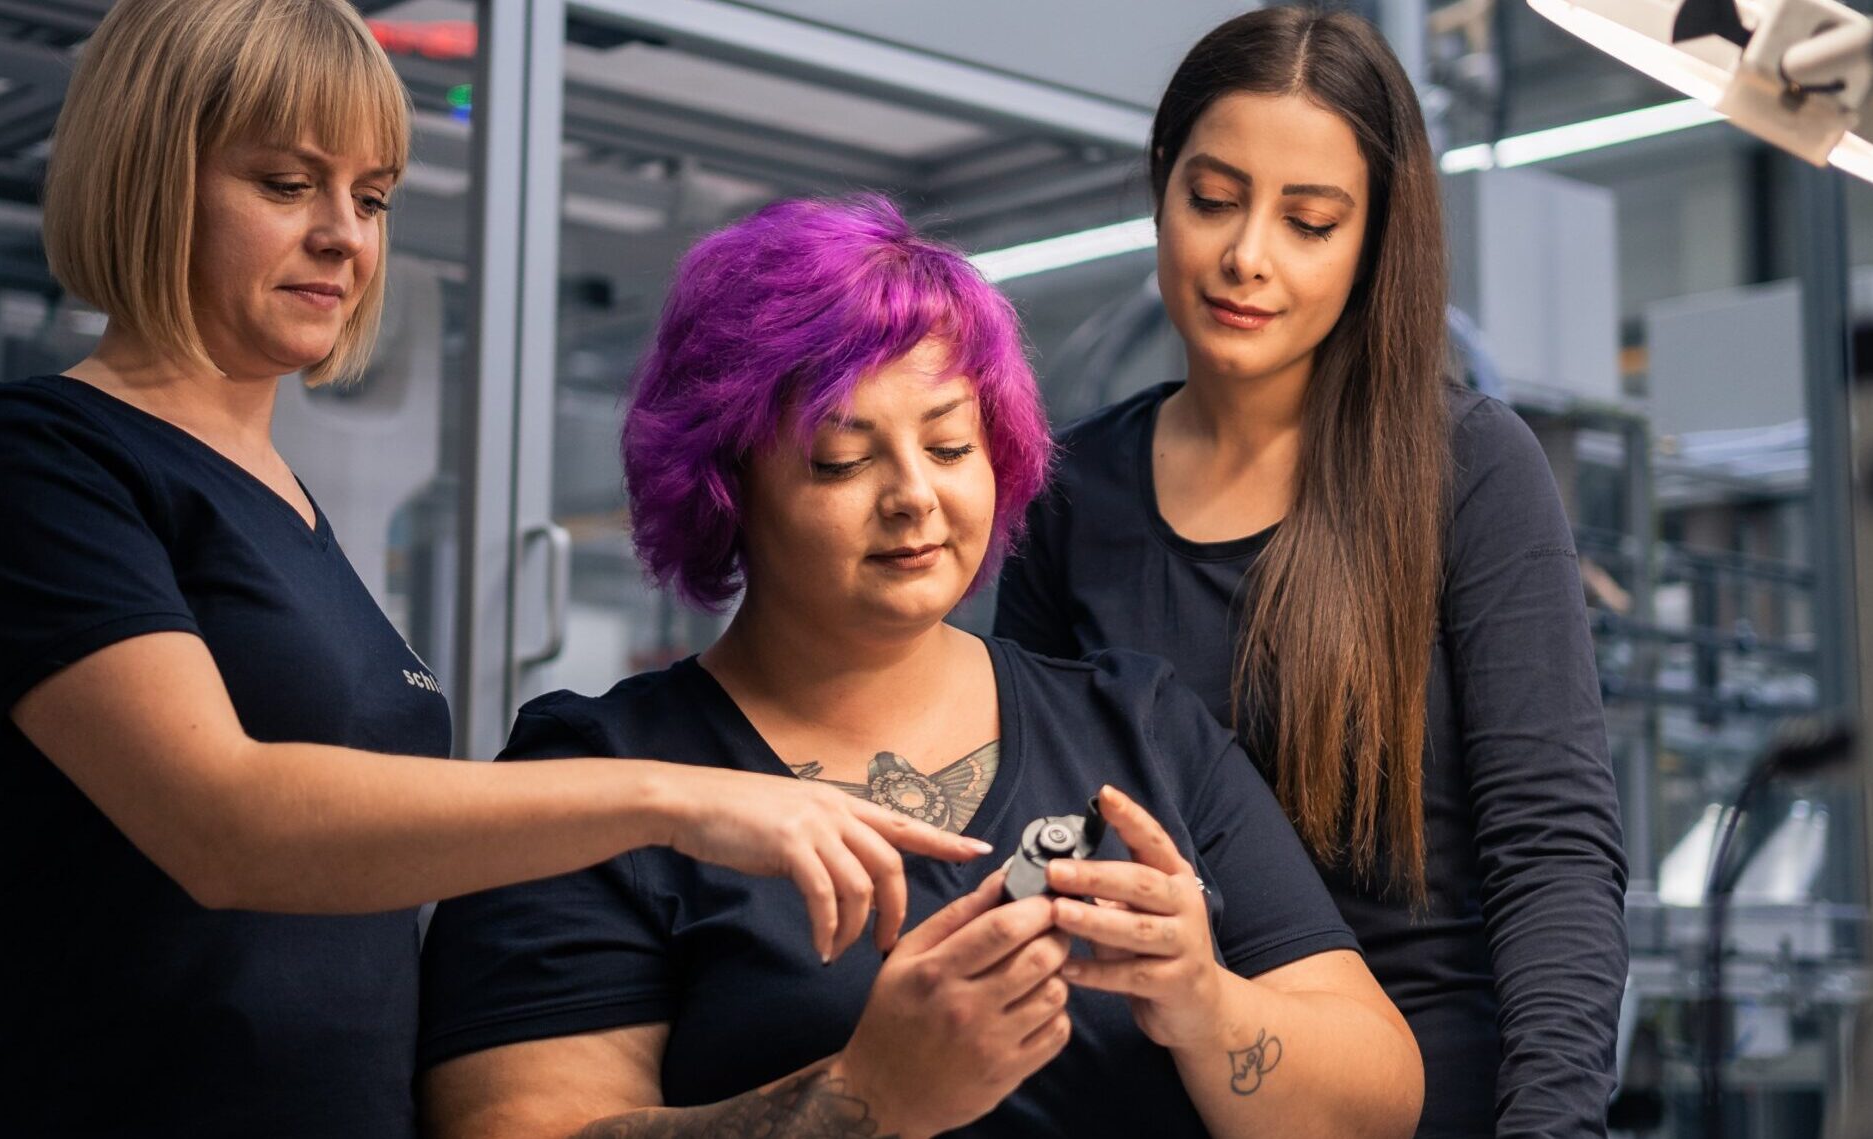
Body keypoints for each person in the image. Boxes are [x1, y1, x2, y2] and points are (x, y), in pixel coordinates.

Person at [0, 4, 979, 1135]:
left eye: (371, 198)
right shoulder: (35, 462)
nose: (344, 238)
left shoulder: (285, 508)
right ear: (150, 173)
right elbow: (221, 822)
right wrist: (677, 797)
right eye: (284, 183)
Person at [416, 195, 1423, 1139]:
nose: (913, 497)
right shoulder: (595, 775)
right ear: (726, 487)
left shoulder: (1136, 725)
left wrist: (1207, 1006)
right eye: (842, 460)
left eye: (948, 445)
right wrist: (865, 1095)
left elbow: (1378, 1096)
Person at [992, 9, 1629, 1137]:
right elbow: (1038, 841)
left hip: (1424, 1099)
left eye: (1309, 220)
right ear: (1160, 189)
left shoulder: (1468, 469)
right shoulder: (1071, 492)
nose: (1248, 255)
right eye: (1213, 197)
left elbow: (1554, 855)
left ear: (1373, 239)